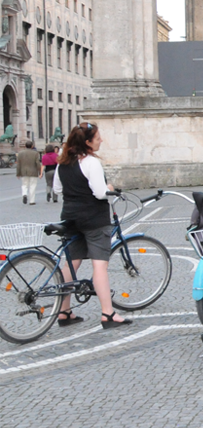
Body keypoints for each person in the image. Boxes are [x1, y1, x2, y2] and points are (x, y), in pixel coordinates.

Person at [51, 122, 130, 329]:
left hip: (70, 217)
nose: (101, 140)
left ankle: (64, 311)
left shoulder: (63, 162)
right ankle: (108, 313)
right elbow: (99, 193)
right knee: (99, 265)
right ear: (87, 143)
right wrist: (110, 188)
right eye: (97, 137)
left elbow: (58, 189)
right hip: (94, 219)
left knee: (71, 263)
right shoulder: (91, 163)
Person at [16, 140, 42, 205]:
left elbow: (18, 164)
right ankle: (32, 201)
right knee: (32, 186)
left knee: (24, 185)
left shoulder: (20, 153)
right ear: (32, 146)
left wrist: (18, 173)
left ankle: (24, 194)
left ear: (25, 146)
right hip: (33, 172)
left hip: (24, 172)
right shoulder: (35, 153)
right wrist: (40, 171)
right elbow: (38, 163)